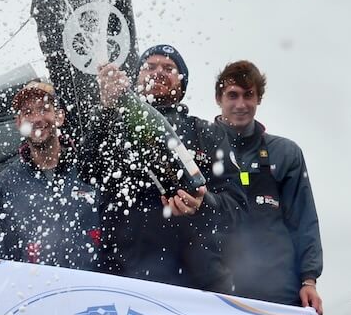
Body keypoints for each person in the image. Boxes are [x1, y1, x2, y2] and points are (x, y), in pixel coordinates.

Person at [91, 44, 246, 292]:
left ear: (182, 82)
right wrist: (107, 109)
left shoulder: (208, 133)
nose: (158, 72)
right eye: (150, 66)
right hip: (125, 282)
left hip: (200, 284)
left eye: (169, 67)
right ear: (135, 78)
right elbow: (88, 170)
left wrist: (204, 203)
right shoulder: (112, 125)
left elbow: (237, 209)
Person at [212, 60, 324, 312]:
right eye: (232, 95)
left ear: (258, 99)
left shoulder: (285, 153)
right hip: (216, 293)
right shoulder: (199, 150)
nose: (241, 104)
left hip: (278, 292)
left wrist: (309, 280)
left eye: (248, 95)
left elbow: (303, 220)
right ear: (219, 98)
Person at [0, 81, 102, 271]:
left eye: (44, 109)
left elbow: (121, 232)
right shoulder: (6, 182)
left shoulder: (90, 166)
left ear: (59, 117)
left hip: (99, 288)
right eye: (27, 112)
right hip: (40, 293)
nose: (36, 119)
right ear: (19, 124)